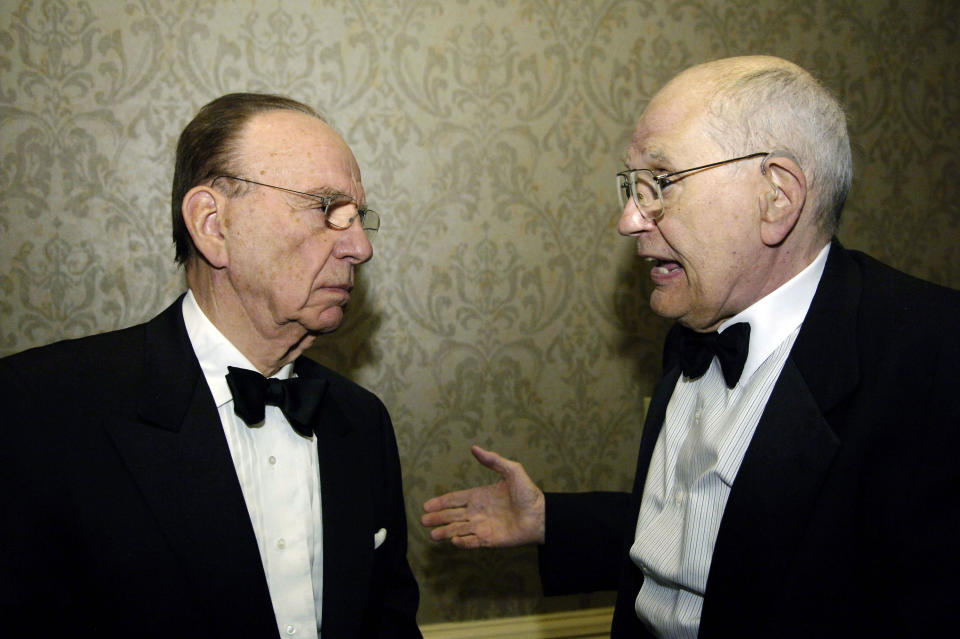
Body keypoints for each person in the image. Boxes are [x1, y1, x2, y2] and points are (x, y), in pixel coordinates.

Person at [422, 55, 960, 638]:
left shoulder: (935, 357)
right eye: (633, 186)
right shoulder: (694, 329)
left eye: (661, 183)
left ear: (776, 197)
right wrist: (556, 520)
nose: (629, 219)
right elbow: (717, 528)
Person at [0, 93, 421, 638]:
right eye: (326, 209)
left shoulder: (362, 422)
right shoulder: (38, 412)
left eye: (358, 217)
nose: (361, 247)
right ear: (212, 224)